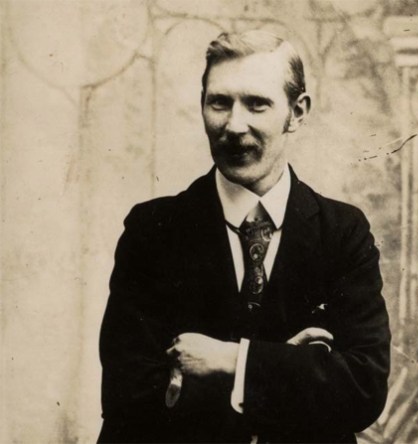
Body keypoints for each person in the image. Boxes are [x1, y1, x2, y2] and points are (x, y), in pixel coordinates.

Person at [98, 30, 391, 444]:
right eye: (219, 102)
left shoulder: (342, 233)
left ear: (297, 112)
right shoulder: (153, 230)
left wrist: (233, 361)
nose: (234, 126)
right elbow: (129, 398)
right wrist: (290, 366)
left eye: (257, 104)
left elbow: (362, 390)